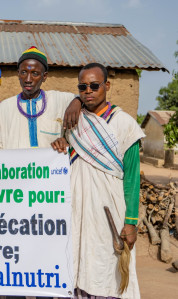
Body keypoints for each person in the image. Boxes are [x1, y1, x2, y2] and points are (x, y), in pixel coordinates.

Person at [51, 63, 143, 298]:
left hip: (108, 211)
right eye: (82, 87)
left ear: (107, 86)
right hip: (76, 208)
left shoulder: (125, 124)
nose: (88, 91)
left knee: (105, 269)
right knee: (76, 263)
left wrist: (131, 222)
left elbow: (132, 178)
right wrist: (60, 145)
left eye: (94, 85)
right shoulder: (73, 121)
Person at [0, 46, 81, 149]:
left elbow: (87, 98)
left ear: (44, 76)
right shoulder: (5, 107)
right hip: (15, 165)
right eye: (24, 72)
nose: (28, 79)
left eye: (35, 73)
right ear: (18, 74)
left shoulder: (60, 100)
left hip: (50, 165)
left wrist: (77, 101)